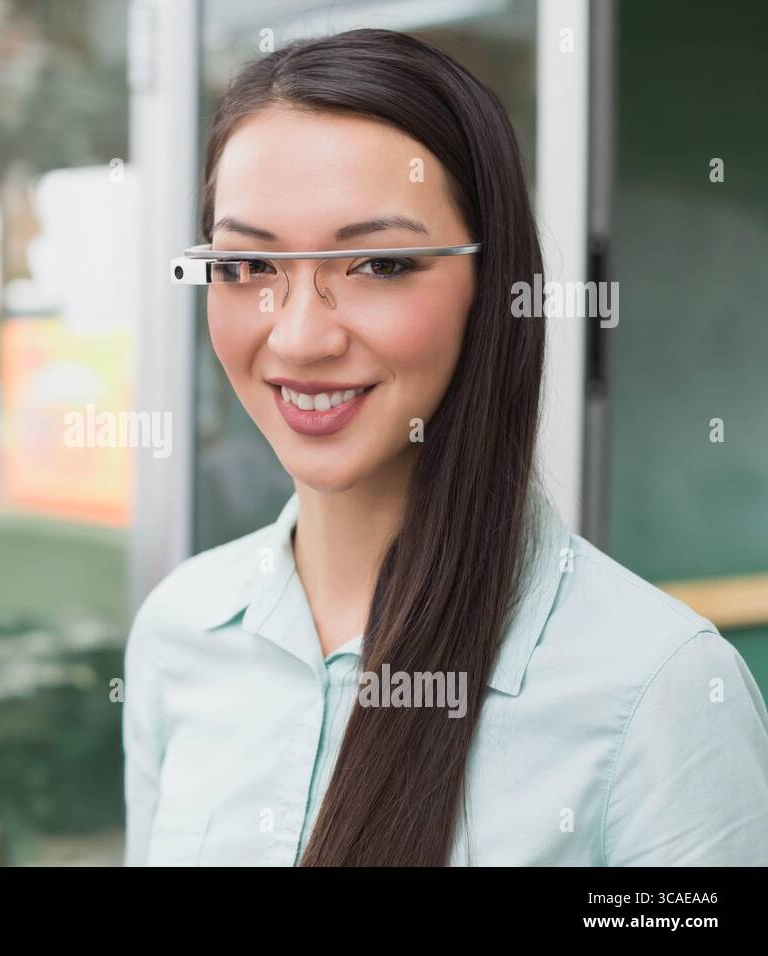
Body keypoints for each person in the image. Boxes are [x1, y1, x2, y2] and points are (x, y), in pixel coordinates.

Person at [122, 28, 768, 866]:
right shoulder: (181, 630)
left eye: (382, 264)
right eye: (248, 267)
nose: (301, 336)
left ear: (494, 285)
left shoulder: (658, 692)